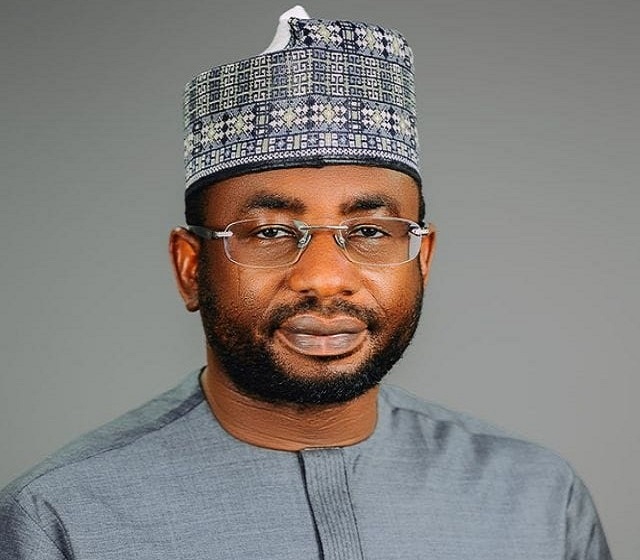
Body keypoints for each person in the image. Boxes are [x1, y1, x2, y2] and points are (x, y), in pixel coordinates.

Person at [0, 6, 611, 559]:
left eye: (370, 232)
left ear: (422, 259)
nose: (324, 278)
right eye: (269, 233)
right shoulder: (61, 518)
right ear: (190, 267)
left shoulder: (536, 496)